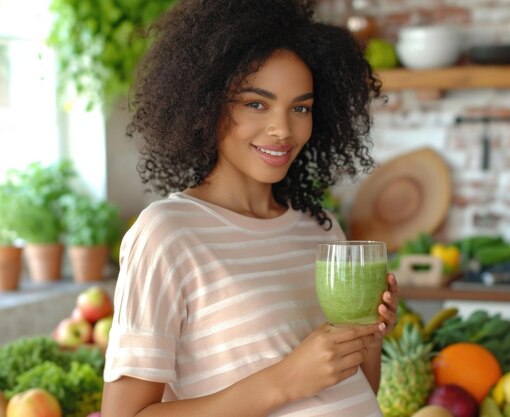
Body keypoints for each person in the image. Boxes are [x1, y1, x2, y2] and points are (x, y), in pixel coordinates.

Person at [101, 0, 398, 416]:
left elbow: (360, 389)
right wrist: (284, 381)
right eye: (256, 104)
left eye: (301, 108)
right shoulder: (167, 234)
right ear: (206, 104)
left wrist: (369, 332)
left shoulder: (321, 230)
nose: (283, 129)